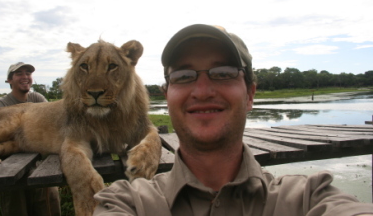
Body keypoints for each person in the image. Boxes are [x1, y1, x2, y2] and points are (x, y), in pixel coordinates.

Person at [93, 24, 373, 215]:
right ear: (167, 96)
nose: (202, 91)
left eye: (224, 72)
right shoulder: (127, 202)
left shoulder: (307, 198)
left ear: (250, 94)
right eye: (183, 76)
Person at [0, 62, 61, 216]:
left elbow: (53, 126)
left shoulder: (38, 98)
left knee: (50, 202)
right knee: (16, 207)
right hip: (8, 169)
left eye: (28, 73)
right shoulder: (0, 105)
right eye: (19, 73)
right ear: (9, 80)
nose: (25, 77)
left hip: (39, 165)